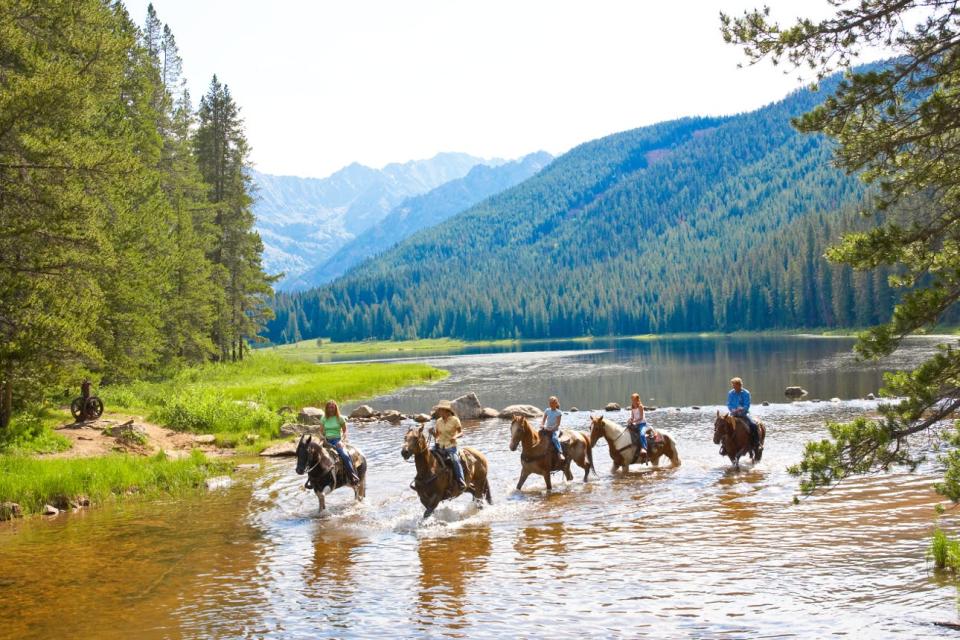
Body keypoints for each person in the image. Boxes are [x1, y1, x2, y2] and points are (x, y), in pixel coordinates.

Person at [321, 400, 360, 485]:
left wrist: (341, 441)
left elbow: (345, 431)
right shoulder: (323, 418)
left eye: (332, 407)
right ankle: (312, 479)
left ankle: (352, 476)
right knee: (313, 456)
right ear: (326, 408)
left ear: (335, 408)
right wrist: (323, 439)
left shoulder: (340, 418)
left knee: (345, 456)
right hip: (326, 441)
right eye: (329, 407)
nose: (331, 409)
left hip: (337, 440)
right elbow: (321, 432)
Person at [431, 399, 466, 490]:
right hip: (440, 445)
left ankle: (461, 481)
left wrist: (456, 437)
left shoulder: (455, 420)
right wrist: (432, 433)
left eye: (440, 410)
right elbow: (437, 435)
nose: (438, 411)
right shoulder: (438, 421)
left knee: (455, 460)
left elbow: (461, 433)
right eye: (438, 410)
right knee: (427, 455)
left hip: (451, 446)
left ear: (446, 410)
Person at [727, 377, 760, 449]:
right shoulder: (730, 393)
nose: (733, 387)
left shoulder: (746, 393)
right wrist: (732, 409)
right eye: (733, 385)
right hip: (733, 414)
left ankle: (757, 443)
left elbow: (747, 405)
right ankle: (725, 445)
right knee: (723, 425)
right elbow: (729, 404)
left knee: (753, 425)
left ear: (739, 385)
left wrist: (741, 409)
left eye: (735, 385)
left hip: (744, 414)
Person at [539, 396, 564, 464]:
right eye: (550, 403)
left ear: (556, 404)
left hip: (555, 429)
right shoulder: (547, 410)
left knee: (554, 438)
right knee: (538, 435)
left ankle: (560, 452)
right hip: (547, 428)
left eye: (552, 403)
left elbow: (558, 424)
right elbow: (543, 420)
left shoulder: (558, 412)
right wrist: (542, 425)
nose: (551, 404)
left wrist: (552, 429)